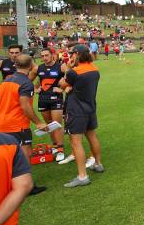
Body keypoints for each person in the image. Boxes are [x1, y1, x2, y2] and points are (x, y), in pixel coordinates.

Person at [0, 54, 48, 195]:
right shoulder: (26, 83)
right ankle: (27, 186)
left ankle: (9, 184)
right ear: (31, 65)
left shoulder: (5, 81)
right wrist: (38, 122)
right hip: (17, 124)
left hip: (1, 123)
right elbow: (25, 106)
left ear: (15, 65)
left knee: (9, 155)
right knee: (26, 154)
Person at [60, 44, 104, 188]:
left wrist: (66, 70)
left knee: (75, 142)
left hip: (76, 110)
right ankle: (98, 164)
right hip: (90, 107)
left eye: (71, 53)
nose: (70, 55)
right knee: (92, 135)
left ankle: (82, 176)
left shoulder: (74, 72)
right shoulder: (94, 68)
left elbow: (62, 85)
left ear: (77, 54)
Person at [28, 48, 67, 162]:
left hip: (56, 99)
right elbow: (27, 81)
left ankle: (60, 150)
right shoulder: (37, 68)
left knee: (57, 124)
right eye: (42, 56)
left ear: (52, 55)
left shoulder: (61, 66)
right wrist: (36, 88)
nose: (44, 58)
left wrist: (62, 88)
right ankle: (55, 146)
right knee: (49, 125)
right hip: (43, 99)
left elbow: (73, 76)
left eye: (46, 55)